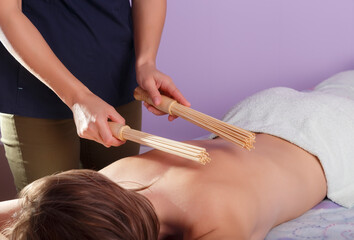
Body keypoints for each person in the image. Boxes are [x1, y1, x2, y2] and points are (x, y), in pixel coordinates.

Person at [1, 72, 354, 239]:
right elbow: (32, 209)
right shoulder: (102, 185)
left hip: (335, 139)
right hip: (266, 111)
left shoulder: (218, 221)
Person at [0, 0, 190, 191]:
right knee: (53, 210)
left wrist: (146, 62)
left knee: (121, 206)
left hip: (116, 75)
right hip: (34, 90)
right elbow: (6, 13)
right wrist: (77, 98)